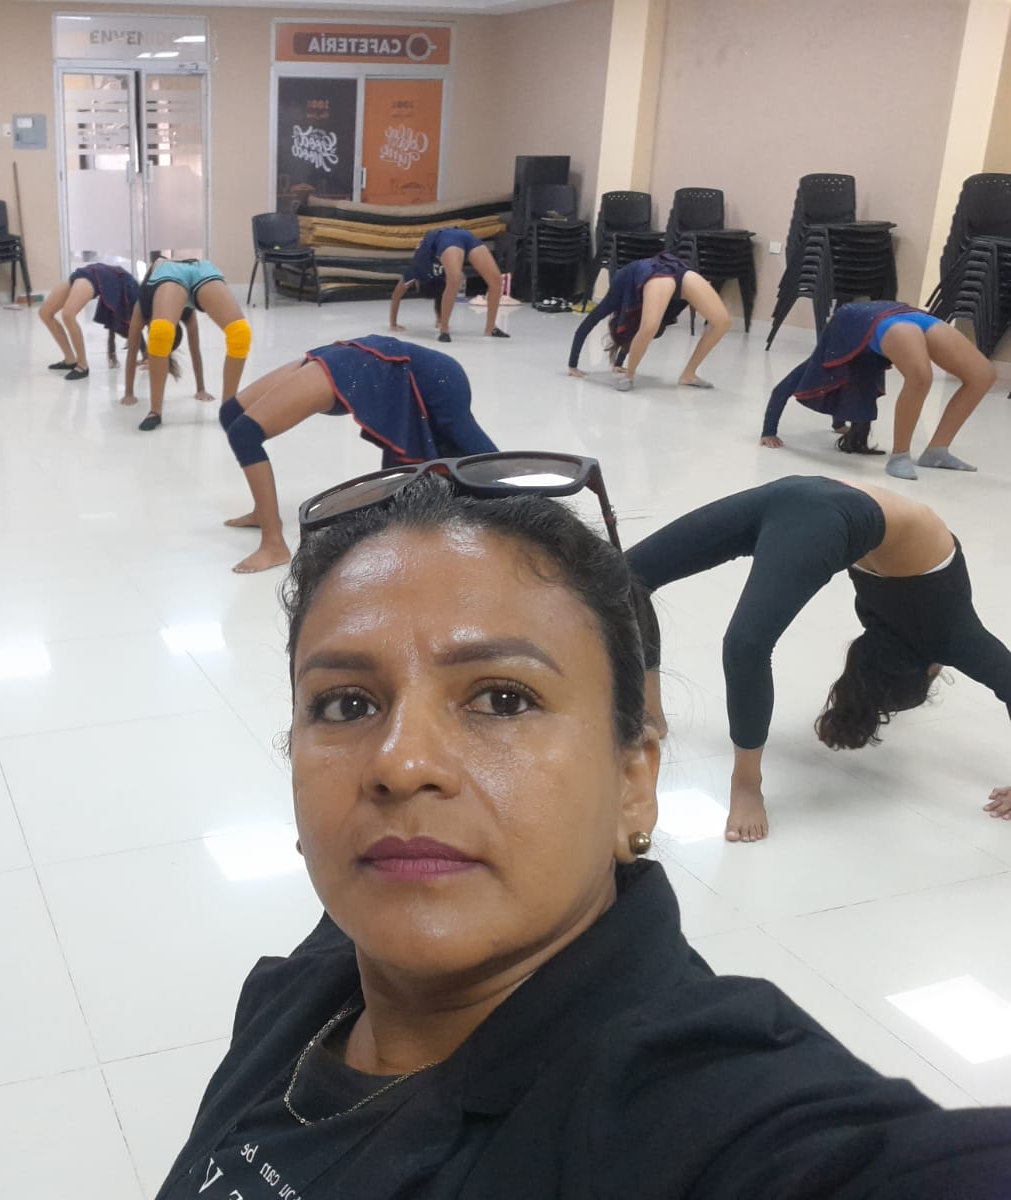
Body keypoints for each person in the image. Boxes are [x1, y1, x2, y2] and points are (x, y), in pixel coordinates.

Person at [155, 468, 1011, 1200]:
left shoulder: (698, 1107)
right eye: (346, 704)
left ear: (635, 783)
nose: (400, 763)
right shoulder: (309, 987)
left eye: (503, 698)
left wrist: (739, 777)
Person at [627, 475, 1011, 843]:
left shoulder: (905, 632)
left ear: (927, 668)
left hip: (806, 492)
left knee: (627, 579)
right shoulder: (948, 634)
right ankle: (745, 785)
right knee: (744, 644)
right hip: (824, 509)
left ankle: (656, 715)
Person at [220, 336, 496, 575]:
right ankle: (262, 512)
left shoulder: (444, 396)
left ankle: (273, 544)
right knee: (232, 414)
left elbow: (480, 451)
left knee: (245, 433)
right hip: (355, 356)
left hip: (409, 371)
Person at [761, 300, 993, 480]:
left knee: (983, 375)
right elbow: (835, 394)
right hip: (890, 319)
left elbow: (784, 389)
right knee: (920, 377)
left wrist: (769, 431)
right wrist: (769, 433)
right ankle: (900, 455)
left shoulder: (824, 363)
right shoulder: (848, 367)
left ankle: (937, 451)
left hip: (896, 315)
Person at [566, 251, 730, 390]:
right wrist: (573, 366)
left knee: (722, 323)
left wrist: (573, 364)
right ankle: (629, 376)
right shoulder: (638, 310)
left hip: (663, 271)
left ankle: (689, 375)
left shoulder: (616, 296)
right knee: (649, 327)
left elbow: (588, 324)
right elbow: (632, 332)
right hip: (662, 276)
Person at [130, 258, 251, 432]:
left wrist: (201, 388)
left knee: (240, 333)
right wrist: (128, 392)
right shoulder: (146, 305)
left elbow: (195, 349)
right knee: (161, 332)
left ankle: (228, 410)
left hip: (194, 268)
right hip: (178, 271)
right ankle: (155, 411)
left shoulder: (148, 302)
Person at [388, 227, 509, 341]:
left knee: (495, 281)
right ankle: (444, 329)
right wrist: (439, 320)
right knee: (458, 280)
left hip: (446, 237)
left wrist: (393, 324)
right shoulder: (439, 281)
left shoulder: (414, 272)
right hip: (461, 237)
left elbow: (396, 296)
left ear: (417, 283)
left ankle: (488, 329)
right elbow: (439, 296)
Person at [38, 262, 139, 381]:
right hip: (87, 272)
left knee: (68, 315)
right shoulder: (134, 291)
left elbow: (137, 325)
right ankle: (70, 360)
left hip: (93, 275)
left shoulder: (132, 291)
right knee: (44, 313)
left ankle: (82, 365)